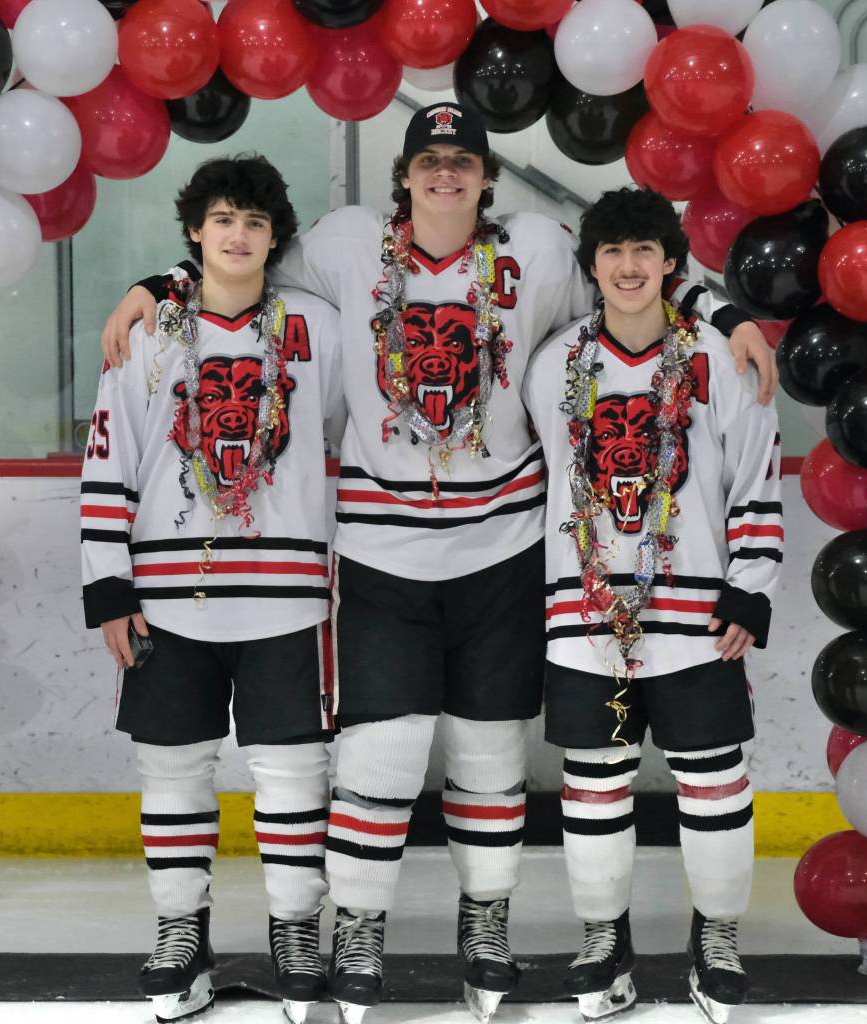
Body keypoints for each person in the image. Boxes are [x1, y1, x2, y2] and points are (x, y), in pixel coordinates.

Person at [99, 103, 778, 1024]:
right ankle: (358, 932)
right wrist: (160, 283)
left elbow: (632, 273)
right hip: (380, 552)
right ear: (405, 174)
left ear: (486, 175)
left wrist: (720, 309)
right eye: (430, 160)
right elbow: (239, 264)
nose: (446, 174)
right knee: (375, 756)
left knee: (490, 758)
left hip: (501, 549)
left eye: (463, 160)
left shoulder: (538, 249)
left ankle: (486, 925)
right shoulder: (342, 246)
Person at [81, 155, 342, 1024]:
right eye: (223, 219)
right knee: (172, 768)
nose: (239, 236)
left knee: (294, 771)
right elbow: (108, 462)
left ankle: (296, 930)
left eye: (256, 224)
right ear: (195, 230)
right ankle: (178, 931)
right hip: (165, 592)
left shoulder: (318, 325)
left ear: (276, 238)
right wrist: (108, 586)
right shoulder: (145, 330)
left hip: (285, 596)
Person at [523, 187, 783, 1024]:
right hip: (584, 624)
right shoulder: (553, 362)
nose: (628, 267)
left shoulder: (717, 356)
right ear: (592, 266)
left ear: (671, 261)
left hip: (698, 621)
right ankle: (605, 939)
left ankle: (716, 937)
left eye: (644, 251)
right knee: (594, 786)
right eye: (612, 253)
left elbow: (754, 483)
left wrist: (751, 583)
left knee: (713, 784)